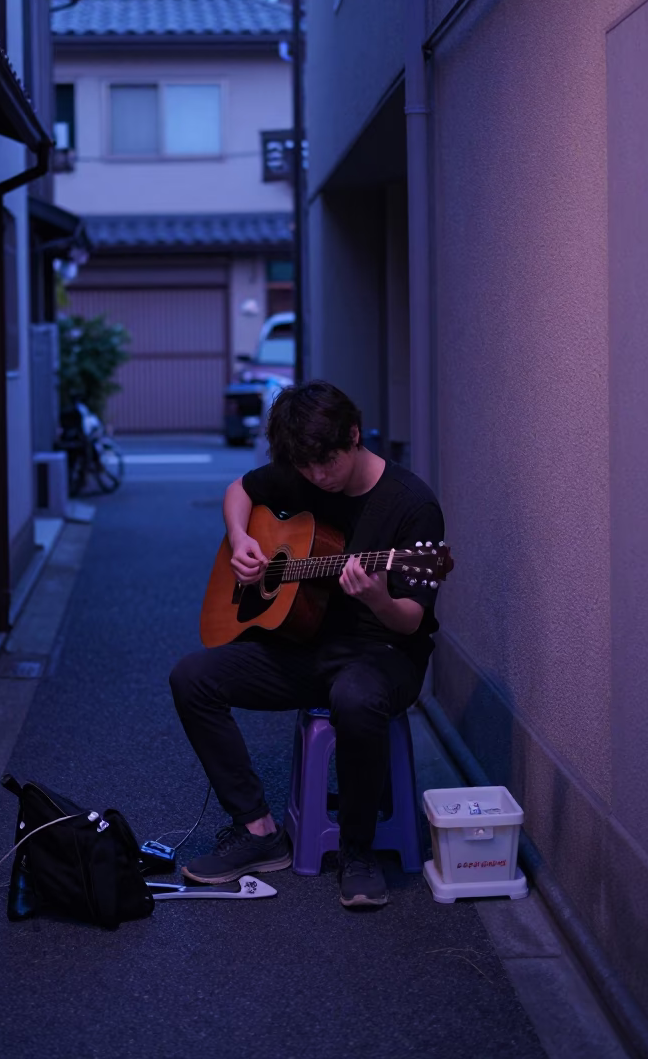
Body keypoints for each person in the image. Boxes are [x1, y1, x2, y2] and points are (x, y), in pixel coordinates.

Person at [169, 380, 445, 908]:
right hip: (305, 647)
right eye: (306, 467)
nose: (318, 477)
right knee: (192, 677)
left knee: (356, 698)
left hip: (383, 653)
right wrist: (241, 539)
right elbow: (240, 491)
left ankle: (358, 852)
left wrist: (380, 600)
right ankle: (257, 831)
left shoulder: (412, 507)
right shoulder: (302, 473)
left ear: (355, 435)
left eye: (328, 463)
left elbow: (411, 621)